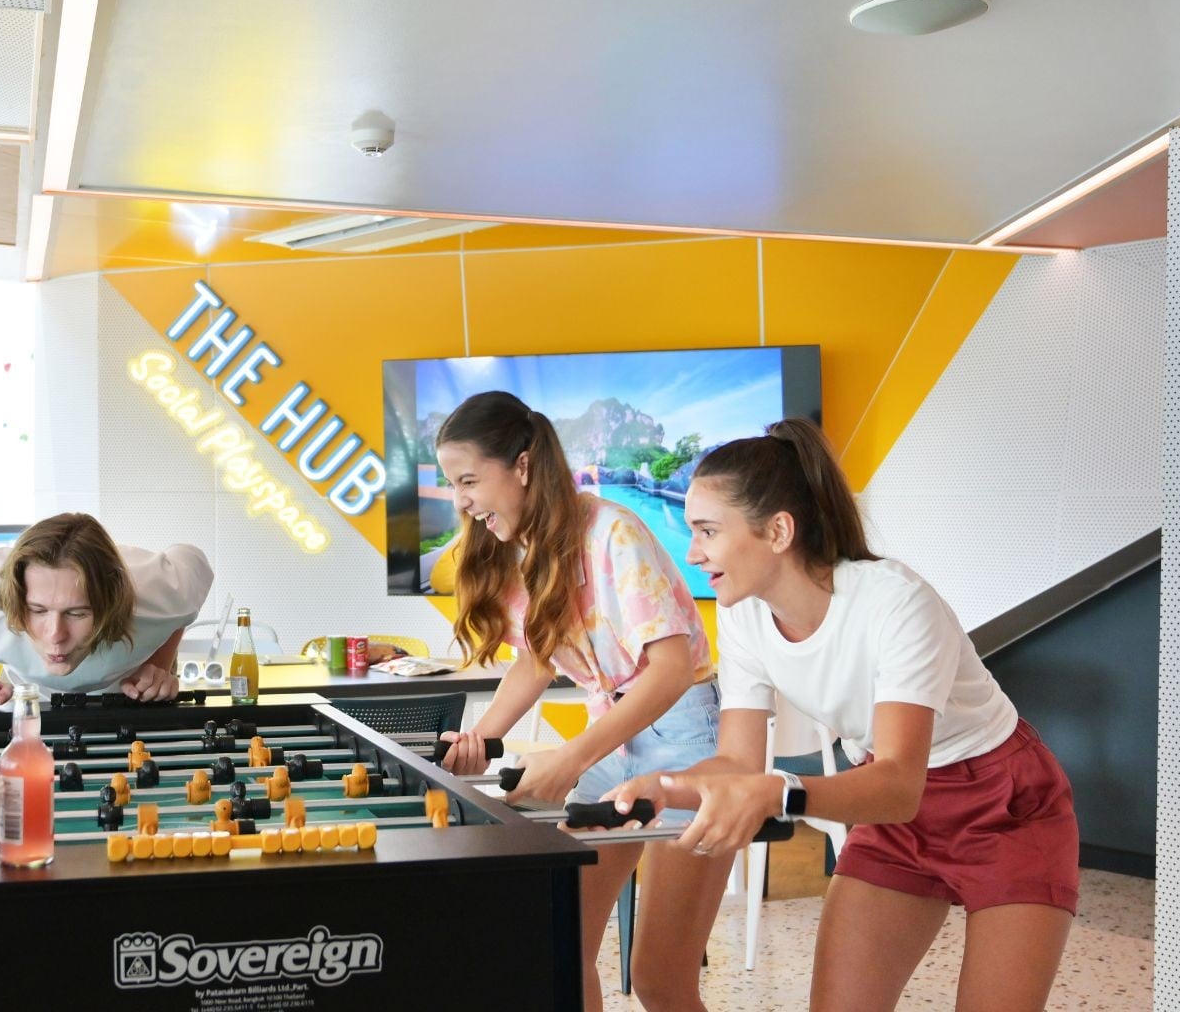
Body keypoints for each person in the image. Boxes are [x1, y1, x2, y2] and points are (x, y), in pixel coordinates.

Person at [604, 419, 1077, 1011]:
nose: (693, 552)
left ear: (778, 531)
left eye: (707, 531)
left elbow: (900, 783)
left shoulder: (896, 602)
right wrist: (671, 786)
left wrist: (778, 793)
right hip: (892, 810)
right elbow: (737, 761)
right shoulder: (743, 613)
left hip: (1002, 802)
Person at [430, 391, 727, 1011]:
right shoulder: (517, 552)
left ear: (522, 466)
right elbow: (535, 660)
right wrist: (479, 740)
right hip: (612, 733)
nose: (460, 501)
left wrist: (571, 759)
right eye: (452, 485)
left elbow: (672, 671)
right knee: (559, 949)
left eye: (468, 481)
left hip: (684, 733)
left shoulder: (613, 531)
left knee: (660, 979)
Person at [0, 513, 213, 711]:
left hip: (126, 691)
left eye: (77, 613)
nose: (55, 636)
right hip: (24, 692)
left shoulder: (158, 594)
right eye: (38, 610)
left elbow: (192, 565)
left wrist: (159, 664)